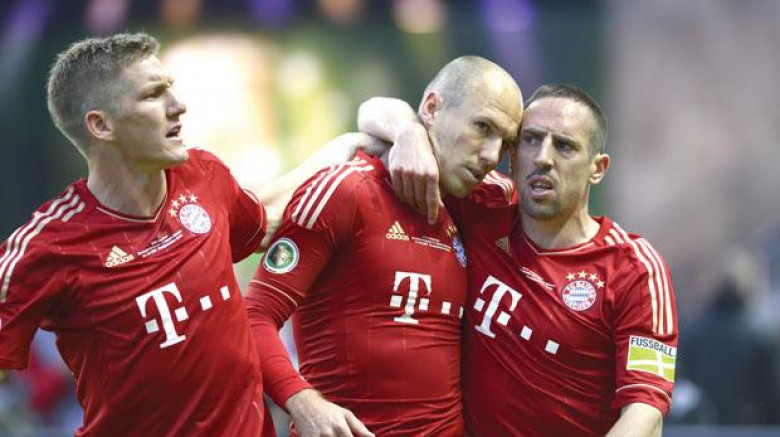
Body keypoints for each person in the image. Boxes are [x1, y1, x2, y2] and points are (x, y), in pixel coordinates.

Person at [0, 32, 383, 436]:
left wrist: (351, 145)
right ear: (101, 125)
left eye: (171, 88)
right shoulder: (48, 245)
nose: (178, 106)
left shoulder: (202, 176)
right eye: (153, 95)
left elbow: (266, 216)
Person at [360, 84, 679, 436]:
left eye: (564, 146)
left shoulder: (635, 269)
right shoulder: (483, 205)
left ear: (597, 168)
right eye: (531, 139)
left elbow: (646, 410)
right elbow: (372, 112)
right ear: (512, 154)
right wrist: (409, 134)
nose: (543, 158)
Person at [244, 56, 523, 436]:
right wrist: (302, 400)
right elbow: (253, 316)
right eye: (482, 128)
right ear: (432, 109)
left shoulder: (481, 201)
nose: (492, 155)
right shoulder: (345, 191)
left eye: (505, 142)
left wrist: (405, 129)